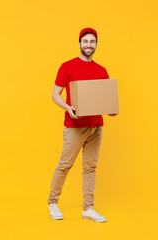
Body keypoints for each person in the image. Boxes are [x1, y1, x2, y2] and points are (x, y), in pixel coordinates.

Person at [47, 27, 117, 223]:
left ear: (96, 45)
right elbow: (55, 94)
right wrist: (68, 108)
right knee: (65, 165)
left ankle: (88, 208)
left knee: (90, 168)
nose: (88, 44)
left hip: (96, 126)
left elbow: (105, 99)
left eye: (92, 41)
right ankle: (52, 202)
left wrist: (112, 109)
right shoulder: (67, 66)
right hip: (75, 126)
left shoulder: (101, 70)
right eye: (85, 41)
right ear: (79, 44)